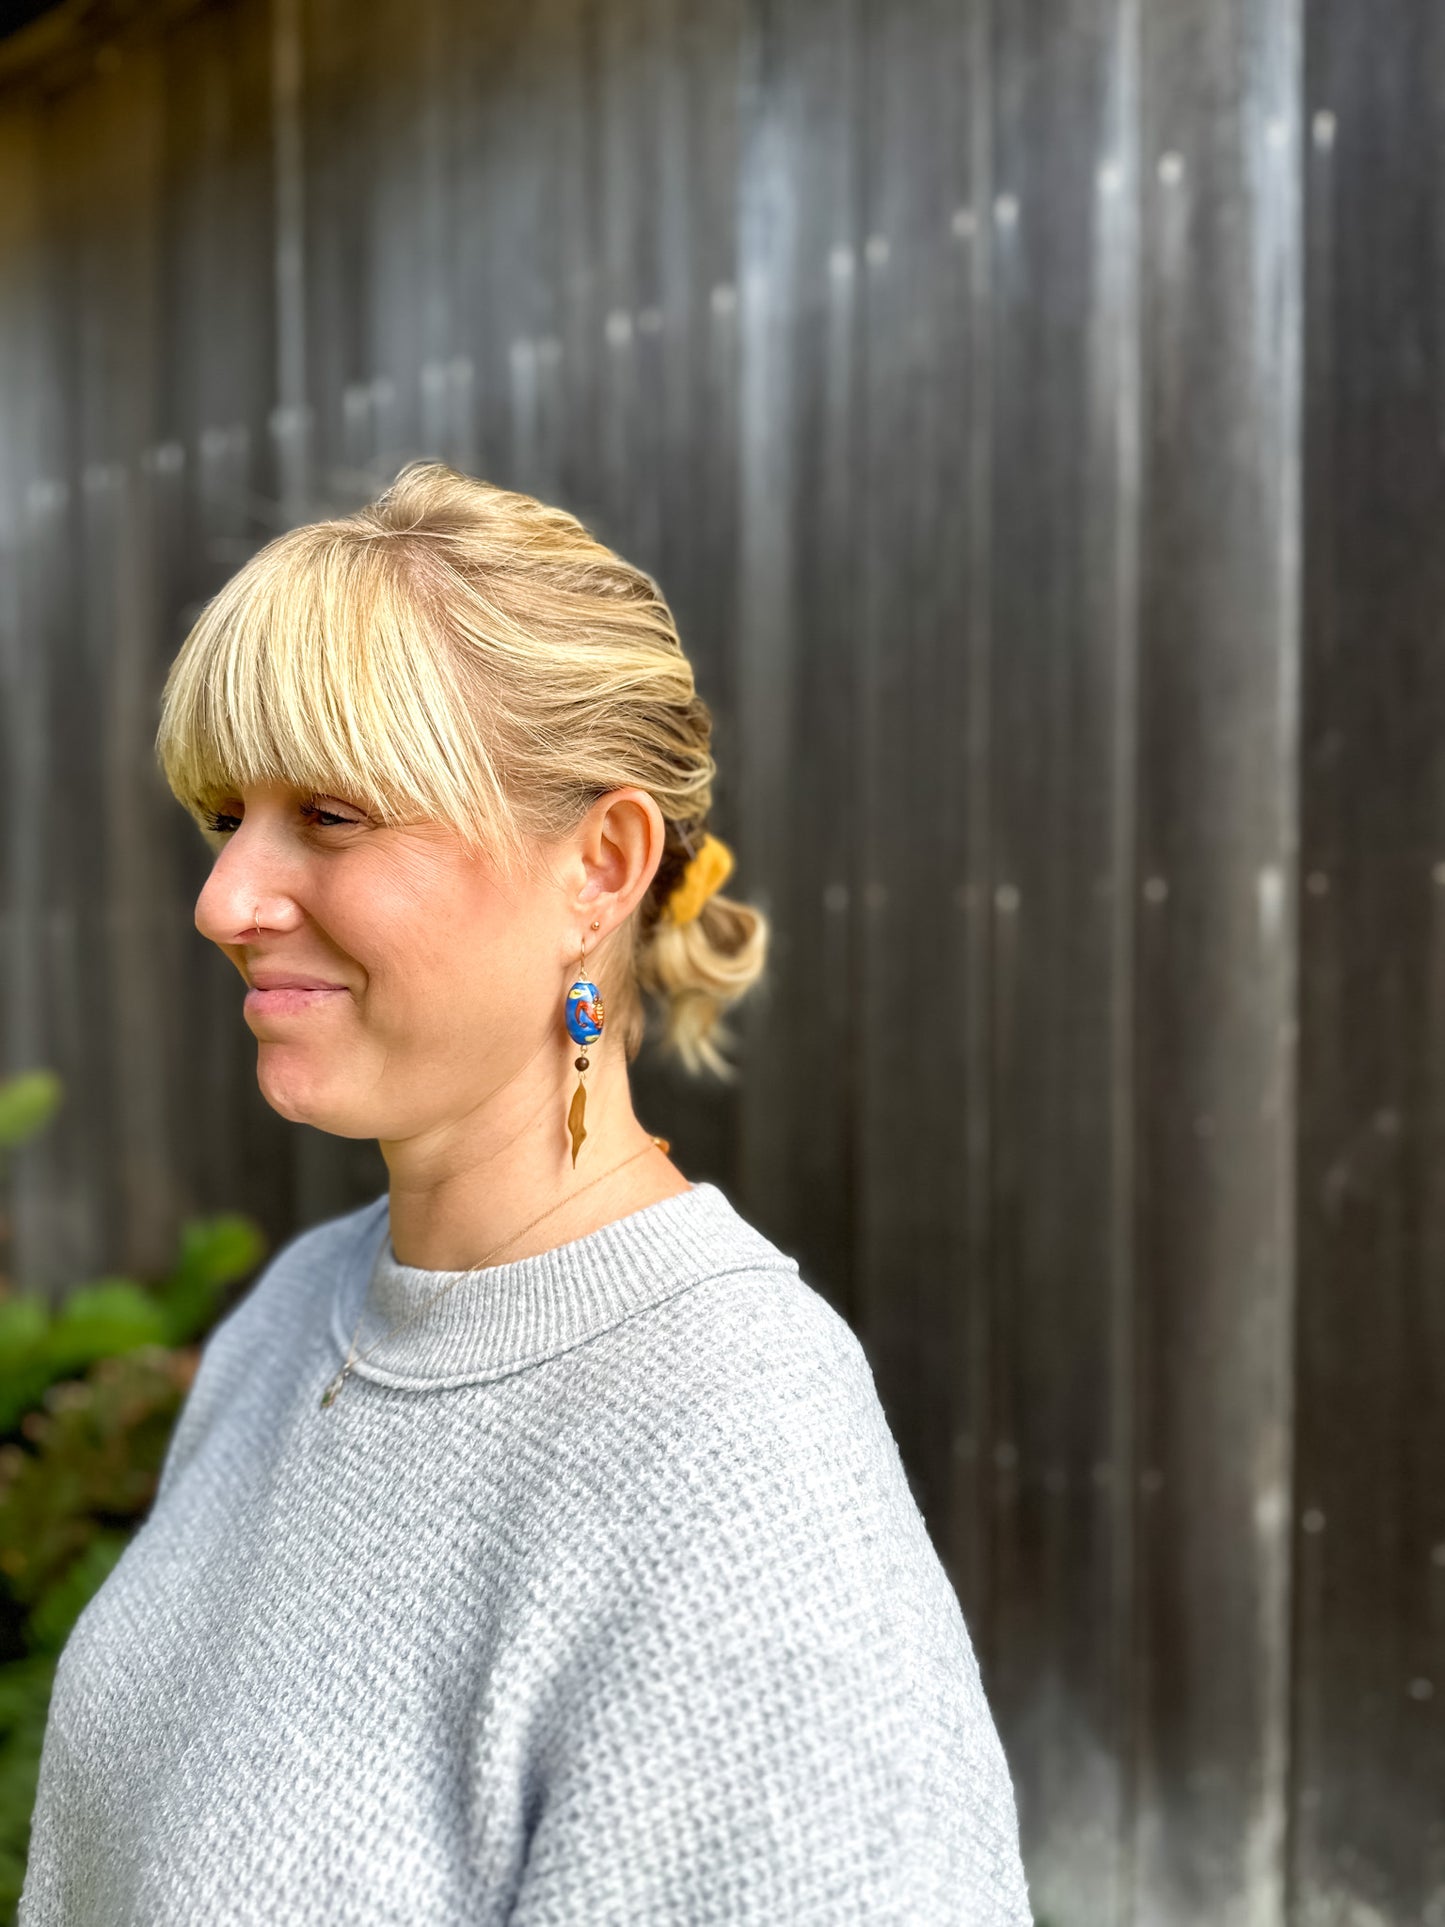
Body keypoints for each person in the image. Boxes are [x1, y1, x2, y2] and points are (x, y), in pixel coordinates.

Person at [19, 462, 1033, 1925]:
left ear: (599, 866)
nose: (228, 899)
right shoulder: (293, 1319)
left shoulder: (737, 1458)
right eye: (224, 816)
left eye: (334, 814)